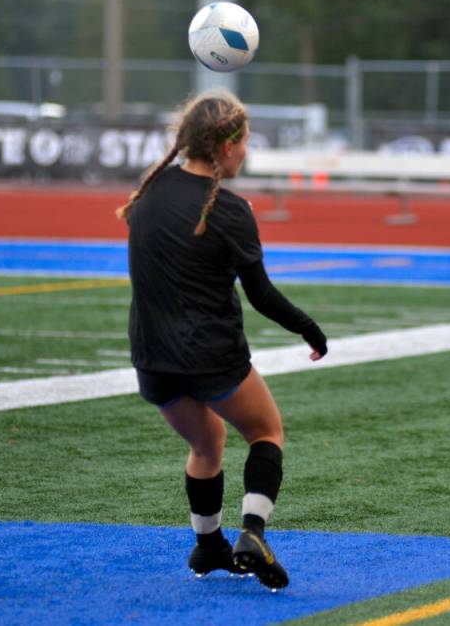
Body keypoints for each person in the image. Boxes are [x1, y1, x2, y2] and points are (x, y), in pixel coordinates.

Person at [116, 89, 327, 588]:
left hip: (152, 357)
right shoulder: (231, 210)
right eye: (246, 140)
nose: (247, 151)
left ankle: (208, 544)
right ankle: (252, 531)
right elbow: (262, 296)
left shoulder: (147, 193)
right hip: (212, 354)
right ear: (227, 146)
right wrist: (308, 328)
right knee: (266, 432)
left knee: (207, 442)